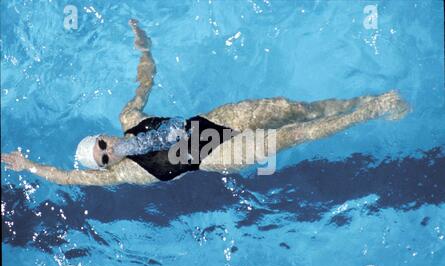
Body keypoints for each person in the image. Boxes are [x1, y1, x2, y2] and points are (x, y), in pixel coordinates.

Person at [1, 19, 410, 186]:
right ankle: (374, 109)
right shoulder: (121, 175)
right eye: (103, 157)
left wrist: (144, 49)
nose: (108, 152)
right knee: (296, 133)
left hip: (212, 121)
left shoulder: (129, 117)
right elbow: (72, 178)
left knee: (292, 107)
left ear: (104, 135)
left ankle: (360, 100)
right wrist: (29, 166)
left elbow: (144, 83)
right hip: (217, 156)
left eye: (102, 145)